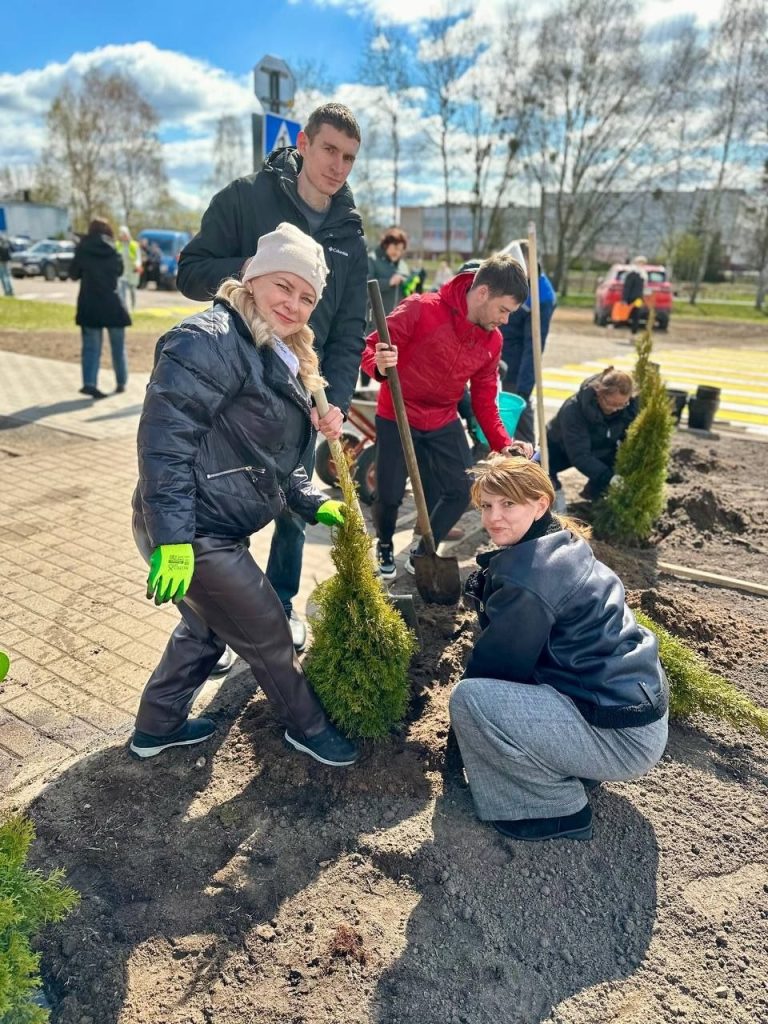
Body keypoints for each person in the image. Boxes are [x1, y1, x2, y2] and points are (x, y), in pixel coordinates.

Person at [130, 222, 358, 767]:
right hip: (190, 528)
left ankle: (156, 727)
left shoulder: (281, 352)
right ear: (252, 279)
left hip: (214, 526)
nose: (294, 304)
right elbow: (164, 444)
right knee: (268, 632)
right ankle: (309, 728)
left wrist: (311, 499)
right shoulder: (207, 340)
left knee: (205, 629)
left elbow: (269, 459)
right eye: (284, 286)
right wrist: (174, 539)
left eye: (307, 297)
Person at [177, 102, 368, 653]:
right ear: (303, 144)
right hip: (232, 382)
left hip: (298, 389)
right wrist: (255, 271)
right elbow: (190, 272)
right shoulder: (246, 198)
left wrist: (331, 397)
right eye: (329, 149)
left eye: (349, 157)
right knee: (217, 500)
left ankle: (280, 603)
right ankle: (208, 624)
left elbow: (349, 329)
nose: (337, 166)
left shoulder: (350, 236)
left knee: (294, 507)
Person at [449, 455, 669, 842]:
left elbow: (495, 670)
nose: (494, 517)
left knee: (470, 699)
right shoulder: (562, 542)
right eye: (486, 505)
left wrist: (460, 744)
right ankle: (572, 763)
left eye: (508, 504)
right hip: (633, 711)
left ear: (540, 505)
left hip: (623, 738)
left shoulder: (529, 579)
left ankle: (556, 808)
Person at [361, 254, 530, 580]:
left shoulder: (492, 340)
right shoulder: (421, 309)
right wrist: (378, 364)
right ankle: (384, 543)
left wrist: (503, 443)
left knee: (461, 489)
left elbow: (484, 400)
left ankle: (424, 549)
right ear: (483, 293)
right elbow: (370, 347)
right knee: (389, 493)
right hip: (398, 411)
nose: (506, 320)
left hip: (442, 415)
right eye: (503, 310)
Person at [546, 367, 638, 510]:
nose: (616, 409)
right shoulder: (573, 411)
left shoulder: (628, 407)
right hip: (558, 447)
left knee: (612, 465)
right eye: (611, 403)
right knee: (544, 476)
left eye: (622, 404)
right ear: (599, 392)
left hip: (598, 446)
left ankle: (594, 499)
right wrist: (609, 477)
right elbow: (580, 455)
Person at [500, 239, 557, 444]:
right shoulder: (519, 283)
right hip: (500, 361)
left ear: (529, 261)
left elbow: (534, 346)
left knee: (519, 420)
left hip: (516, 370)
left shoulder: (541, 296)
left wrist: (524, 387)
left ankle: (529, 459)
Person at [70, 218, 130, 399]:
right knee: (118, 347)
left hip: (89, 304)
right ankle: (121, 382)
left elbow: (73, 274)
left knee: (91, 347)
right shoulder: (113, 250)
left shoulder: (82, 249)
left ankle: (89, 383)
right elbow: (119, 271)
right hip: (112, 303)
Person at [367, 227, 409, 316]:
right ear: (386, 244)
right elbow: (365, 288)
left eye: (401, 250)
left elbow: (408, 296)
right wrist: (389, 282)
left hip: (397, 320)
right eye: (395, 248)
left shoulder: (403, 266)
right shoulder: (371, 260)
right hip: (376, 320)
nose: (397, 253)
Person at [117, 225, 141, 311]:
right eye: (121, 234)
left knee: (132, 291)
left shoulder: (134, 245)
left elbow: (138, 257)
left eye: (124, 234)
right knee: (121, 290)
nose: (123, 236)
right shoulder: (118, 245)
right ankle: (124, 308)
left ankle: (133, 307)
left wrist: (137, 265)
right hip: (122, 271)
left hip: (132, 271)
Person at [621, 257, 647, 336]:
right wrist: (624, 299)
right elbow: (627, 287)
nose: (641, 264)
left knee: (637, 315)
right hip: (630, 298)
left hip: (638, 299)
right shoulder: (631, 274)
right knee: (627, 315)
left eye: (643, 263)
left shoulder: (643, 275)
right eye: (640, 262)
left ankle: (633, 333)